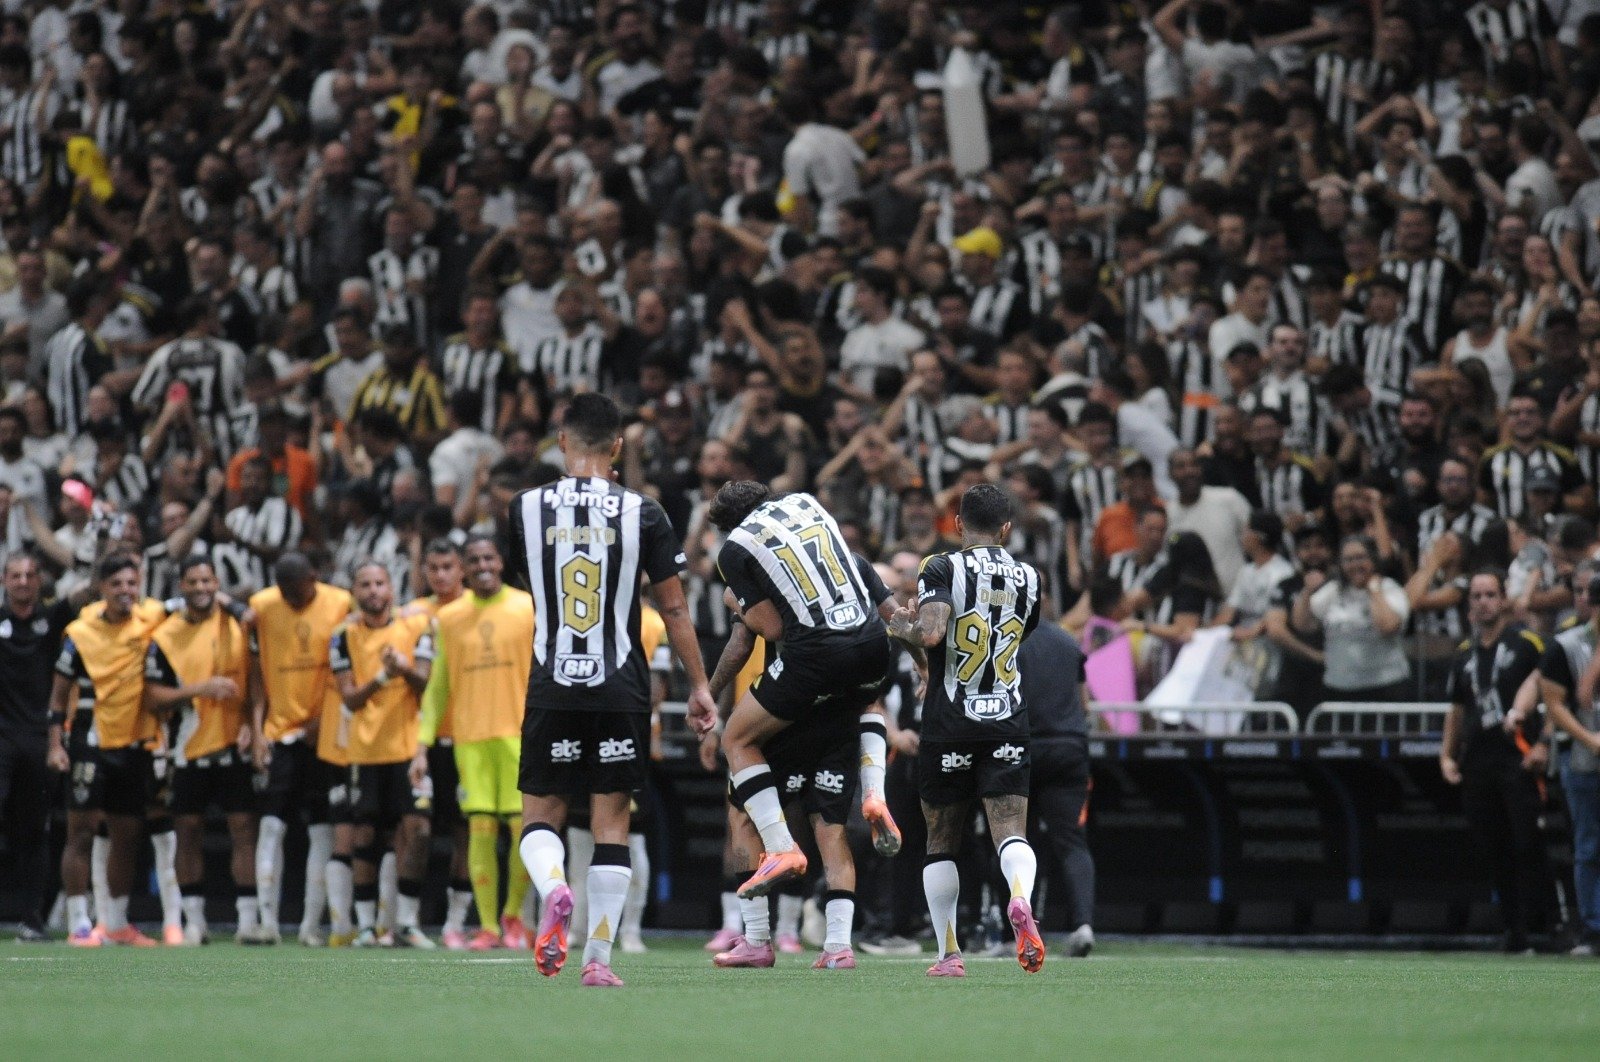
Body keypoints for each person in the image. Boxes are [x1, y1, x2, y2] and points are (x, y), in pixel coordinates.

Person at [510, 393, 715, 987]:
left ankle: (554, 889)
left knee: (541, 816)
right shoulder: (644, 512)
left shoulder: (523, 509)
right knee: (612, 825)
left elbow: (533, 582)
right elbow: (673, 608)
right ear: (619, 446)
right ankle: (597, 962)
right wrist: (699, 685)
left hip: (552, 683)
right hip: (621, 687)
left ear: (561, 441)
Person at [694, 480, 899, 907]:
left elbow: (767, 630)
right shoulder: (811, 511)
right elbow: (891, 612)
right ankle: (875, 792)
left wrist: (736, 605)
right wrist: (920, 662)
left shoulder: (737, 550)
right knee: (868, 706)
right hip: (870, 648)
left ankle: (778, 853)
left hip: (809, 670)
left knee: (737, 743)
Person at [887, 484, 1045, 978]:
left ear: (957, 524)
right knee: (1009, 833)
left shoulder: (941, 567)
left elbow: (931, 632)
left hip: (949, 722)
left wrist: (899, 626)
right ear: (1006, 529)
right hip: (1008, 719)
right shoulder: (1030, 576)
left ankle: (948, 954)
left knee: (941, 840)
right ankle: (1019, 898)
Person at [415, 536, 536, 951]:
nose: (482, 565)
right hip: (469, 738)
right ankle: (487, 926)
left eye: (489, 556)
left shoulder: (527, 606)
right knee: (480, 830)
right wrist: (421, 744)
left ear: (500, 562)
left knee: (522, 830)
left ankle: (515, 919)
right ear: (464, 569)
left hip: (520, 735)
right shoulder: (448, 617)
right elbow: (438, 685)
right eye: (474, 560)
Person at [48, 554, 176, 946]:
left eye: (131, 583)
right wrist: (55, 744)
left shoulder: (150, 621)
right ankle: (79, 924)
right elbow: (57, 697)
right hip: (90, 739)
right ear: (102, 588)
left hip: (135, 742)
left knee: (127, 833)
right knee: (81, 832)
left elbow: (192, 603)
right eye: (117, 584)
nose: (125, 591)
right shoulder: (80, 633)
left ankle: (117, 922)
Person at [142, 554, 259, 945]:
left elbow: (258, 677)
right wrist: (199, 689)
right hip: (186, 747)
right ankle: (194, 921)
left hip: (233, 742)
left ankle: (248, 920)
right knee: (187, 829)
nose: (201, 589)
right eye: (193, 582)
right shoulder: (166, 636)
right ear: (182, 587)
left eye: (207, 581)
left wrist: (252, 726)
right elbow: (153, 697)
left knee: (243, 827)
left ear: (217, 584)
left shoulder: (236, 624)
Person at [1441, 570, 1553, 953]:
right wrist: (1446, 753)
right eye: (1477, 595)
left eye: (1491, 594)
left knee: (1528, 841)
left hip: (1517, 756)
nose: (1484, 601)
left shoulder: (1526, 643)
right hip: (1478, 760)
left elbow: (1554, 689)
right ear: (1469, 604)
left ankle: (1547, 924)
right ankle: (1513, 930)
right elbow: (1456, 709)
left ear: (1504, 599)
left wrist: (1544, 743)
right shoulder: (1463, 653)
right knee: (1494, 846)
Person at [248, 553, 353, 946]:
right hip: (279, 734)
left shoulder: (341, 602)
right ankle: (267, 924)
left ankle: (311, 925)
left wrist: (323, 722)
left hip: (323, 735)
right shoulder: (261, 607)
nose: (292, 600)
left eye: (298, 592)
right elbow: (255, 672)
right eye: (285, 593)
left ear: (315, 576)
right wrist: (257, 730)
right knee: (271, 826)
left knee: (321, 829)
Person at [328, 562, 435, 948]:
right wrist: (382, 676)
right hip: (365, 751)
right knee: (365, 835)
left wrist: (404, 668)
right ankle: (366, 927)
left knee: (419, 830)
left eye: (379, 583)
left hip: (409, 749)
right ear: (355, 591)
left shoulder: (416, 627)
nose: (373, 590)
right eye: (365, 584)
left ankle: (405, 923)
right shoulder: (342, 637)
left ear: (391, 588)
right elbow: (350, 699)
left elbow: (426, 684)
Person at [0, 553, 77, 940]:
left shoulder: (52, 621)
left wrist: (98, 544)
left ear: (40, 581)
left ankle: (32, 917)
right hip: (1, 738)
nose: (24, 581)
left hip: (39, 738)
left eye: (31, 575)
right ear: (4, 580)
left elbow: (91, 591)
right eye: (16, 575)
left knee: (34, 831)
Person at [1019, 614, 1095, 959]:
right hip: (1069, 748)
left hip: (1023, 748)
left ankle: (1028, 930)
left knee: (1020, 841)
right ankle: (1083, 925)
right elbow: (1084, 704)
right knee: (1071, 841)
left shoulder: (1009, 640)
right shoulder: (1068, 641)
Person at [1537, 566, 1600, 954]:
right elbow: (1560, 702)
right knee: (1589, 845)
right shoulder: (1567, 645)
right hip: (1583, 758)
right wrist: (1590, 740)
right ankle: (1593, 929)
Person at [1292, 536, 1413, 703]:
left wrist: (1375, 590)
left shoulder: (1389, 589)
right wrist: (1307, 591)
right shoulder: (1333, 591)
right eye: (1348, 560)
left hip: (1385, 688)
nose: (1355, 565)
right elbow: (1302, 625)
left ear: (1373, 559)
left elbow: (1388, 626)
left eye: (1361, 558)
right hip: (1338, 689)